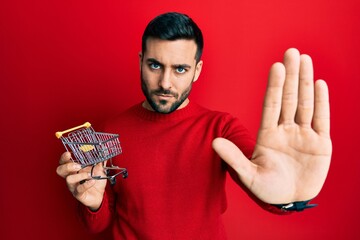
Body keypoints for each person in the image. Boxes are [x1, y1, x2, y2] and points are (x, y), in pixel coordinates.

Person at [56, 12, 332, 239]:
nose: (165, 82)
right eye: (154, 65)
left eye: (180, 69)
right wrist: (92, 203)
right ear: (140, 62)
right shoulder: (110, 132)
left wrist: (287, 197)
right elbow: (99, 224)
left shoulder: (221, 128)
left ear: (197, 70)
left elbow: (264, 179)